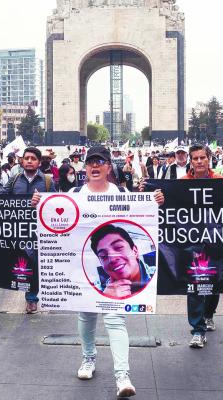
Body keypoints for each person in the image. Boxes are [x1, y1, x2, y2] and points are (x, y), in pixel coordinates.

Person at [32, 145, 163, 399]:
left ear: (108, 167)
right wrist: (38, 205)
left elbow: (147, 217)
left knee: (115, 319)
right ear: (85, 167)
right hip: (83, 271)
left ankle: (122, 375)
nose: (94, 166)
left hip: (116, 278)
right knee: (87, 316)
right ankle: (88, 358)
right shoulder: (73, 193)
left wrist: (156, 202)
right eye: (90, 161)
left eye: (100, 162)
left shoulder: (123, 193)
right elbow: (53, 226)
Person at [181, 144, 223, 348]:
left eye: (202, 158)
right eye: (195, 158)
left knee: (215, 285)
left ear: (209, 159)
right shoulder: (181, 184)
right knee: (195, 285)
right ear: (191, 160)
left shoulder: (221, 182)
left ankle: (208, 314)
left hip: (217, 240)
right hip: (192, 242)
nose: (199, 161)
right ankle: (197, 330)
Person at [6, 146, 55, 313]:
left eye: (33, 159)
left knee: (35, 263)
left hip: (39, 231)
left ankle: (32, 297)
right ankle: (26, 291)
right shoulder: (14, 180)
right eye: (26, 158)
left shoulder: (47, 182)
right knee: (21, 262)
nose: (29, 161)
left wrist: (40, 203)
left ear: (39, 163)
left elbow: (56, 204)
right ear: (22, 160)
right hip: (18, 230)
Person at [89, 224, 155, 298]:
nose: (112, 259)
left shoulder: (157, 276)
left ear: (135, 251)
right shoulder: (98, 291)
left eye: (118, 247)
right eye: (103, 256)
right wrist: (106, 299)